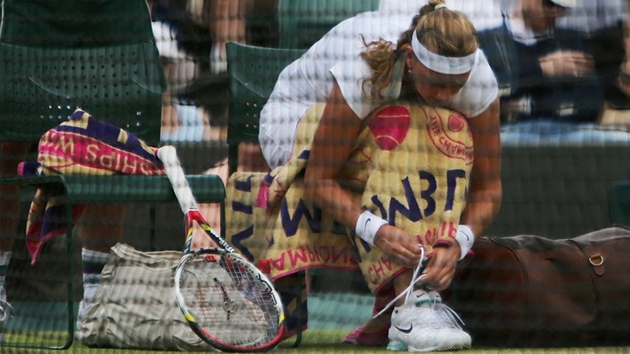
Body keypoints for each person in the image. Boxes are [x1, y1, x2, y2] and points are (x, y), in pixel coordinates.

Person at [257, 0, 502, 350]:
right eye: (436, 84)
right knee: (405, 126)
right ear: (410, 58)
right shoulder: (366, 69)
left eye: (455, 86)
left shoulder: (479, 78)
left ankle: (398, 309)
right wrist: (378, 231)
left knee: (446, 128)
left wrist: (460, 240)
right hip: (292, 123)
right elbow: (319, 181)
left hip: (362, 136)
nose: (445, 95)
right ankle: (409, 304)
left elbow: (490, 187)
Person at [0, 0, 164, 342]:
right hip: (33, 19)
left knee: (114, 147)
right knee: (5, 145)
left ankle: (95, 302)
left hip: (112, 20)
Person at [479, 0, 630, 145]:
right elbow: (487, 96)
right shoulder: (489, 42)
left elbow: (591, 101)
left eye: (562, 8)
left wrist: (525, 99)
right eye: (549, 3)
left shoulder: (571, 39)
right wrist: (541, 71)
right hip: (510, 134)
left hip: (569, 133)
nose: (556, 12)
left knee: (621, 141)